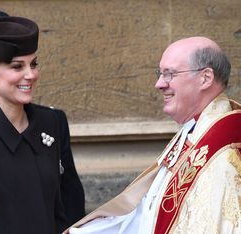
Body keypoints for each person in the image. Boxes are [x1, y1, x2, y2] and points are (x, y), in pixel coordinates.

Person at [65, 36, 241, 234]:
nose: (159, 84)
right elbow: (148, 212)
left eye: (170, 74)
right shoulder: (195, 130)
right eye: (160, 74)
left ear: (205, 78)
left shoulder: (223, 153)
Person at [0, 5, 86, 227]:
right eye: (17, 67)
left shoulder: (51, 122)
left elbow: (68, 205)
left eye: (33, 64)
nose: (31, 75)